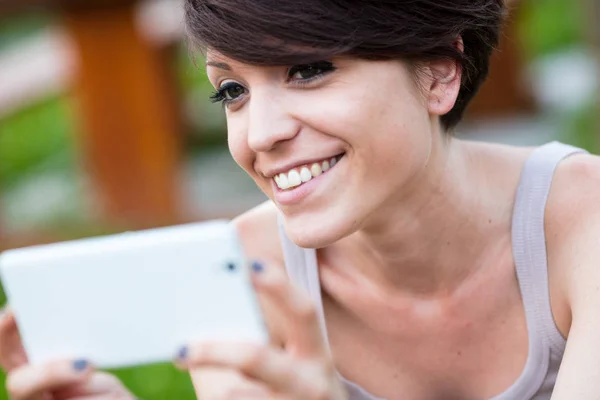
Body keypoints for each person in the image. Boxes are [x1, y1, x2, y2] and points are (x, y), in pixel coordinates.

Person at [2, 1, 600, 399]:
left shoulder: (583, 220)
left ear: (440, 73)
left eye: (309, 70)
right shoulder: (243, 274)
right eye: (231, 90)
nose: (260, 134)